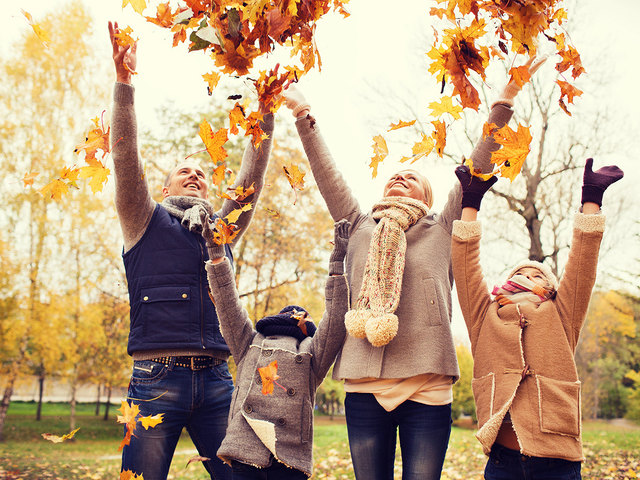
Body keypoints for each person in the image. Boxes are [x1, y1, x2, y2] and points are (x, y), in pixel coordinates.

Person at [279, 57, 544, 480]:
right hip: (365, 381)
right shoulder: (360, 223)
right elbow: (325, 173)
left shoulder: (441, 227)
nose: (399, 178)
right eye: (394, 176)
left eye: (411, 177)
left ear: (428, 194)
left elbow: (477, 166)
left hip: (427, 384)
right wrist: (302, 114)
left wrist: (504, 101)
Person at [108, 21, 274, 480]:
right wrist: (124, 85)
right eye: (184, 171)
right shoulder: (144, 217)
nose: (195, 175)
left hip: (219, 380)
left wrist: (265, 114)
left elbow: (249, 187)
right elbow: (124, 160)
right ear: (162, 187)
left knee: (243, 476)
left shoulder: (218, 231)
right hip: (155, 379)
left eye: (201, 171)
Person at [450, 159, 623, 480]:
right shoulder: (485, 314)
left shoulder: (561, 312)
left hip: (556, 460)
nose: (528, 276)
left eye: (537, 275)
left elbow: (582, 264)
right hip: (503, 461)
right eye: (520, 274)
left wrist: (591, 199)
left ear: (551, 289)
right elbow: (465, 266)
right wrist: (470, 203)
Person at [202, 220, 350, 479]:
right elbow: (228, 306)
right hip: (245, 445)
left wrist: (337, 266)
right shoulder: (252, 341)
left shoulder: (310, 350)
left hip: (289, 453)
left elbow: (336, 322)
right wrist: (216, 255)